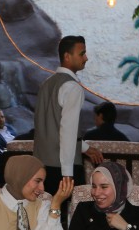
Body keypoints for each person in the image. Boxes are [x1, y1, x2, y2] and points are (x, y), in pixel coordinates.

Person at [33, 35, 103, 195]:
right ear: (67, 56)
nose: (86, 58)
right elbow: (67, 132)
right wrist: (67, 174)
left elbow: (52, 127)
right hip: (62, 168)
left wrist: (85, 148)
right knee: (68, 210)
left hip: (40, 166)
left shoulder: (46, 84)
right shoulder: (72, 87)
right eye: (82, 53)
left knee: (45, 209)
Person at [65, 161, 139, 230]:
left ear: (119, 187)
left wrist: (126, 228)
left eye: (104, 187)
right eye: (94, 186)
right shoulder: (83, 210)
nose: (96, 193)